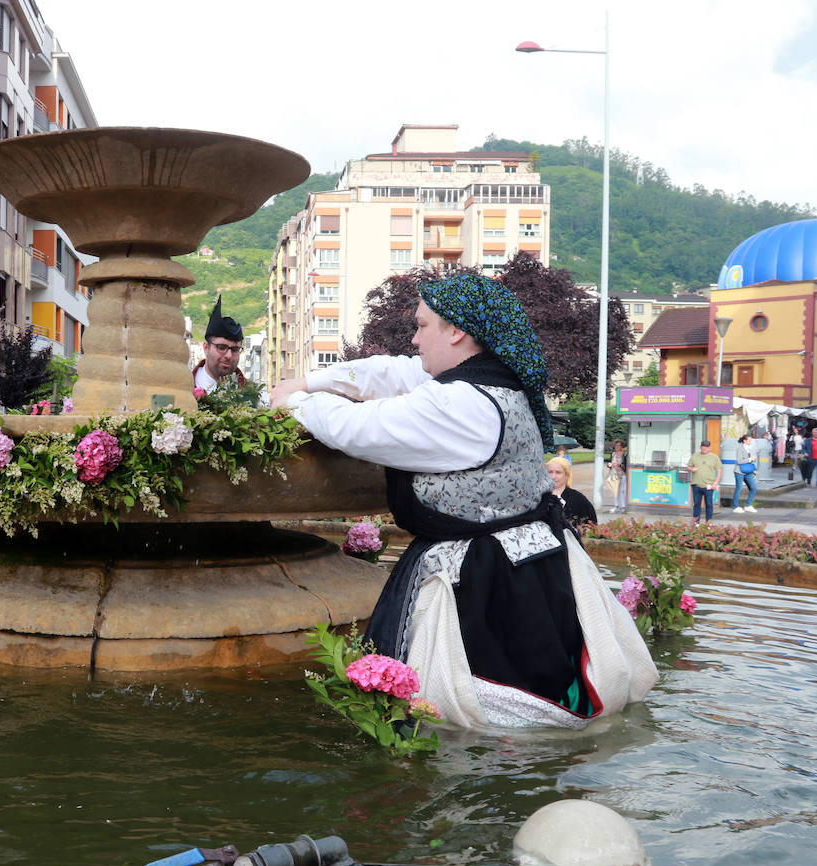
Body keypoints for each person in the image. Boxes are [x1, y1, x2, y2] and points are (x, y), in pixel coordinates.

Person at [271, 272, 655, 729]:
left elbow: (360, 428)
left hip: (488, 579)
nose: (414, 339)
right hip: (525, 563)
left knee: (475, 715)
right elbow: (389, 371)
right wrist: (309, 380)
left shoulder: (462, 405)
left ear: (457, 332)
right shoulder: (487, 380)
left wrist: (295, 402)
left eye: (422, 326)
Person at [192, 296, 249, 394]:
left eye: (235, 349)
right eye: (222, 348)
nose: (229, 355)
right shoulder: (183, 388)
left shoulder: (254, 394)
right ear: (206, 347)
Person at [547, 456, 596, 532]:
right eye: (550, 472)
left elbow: (591, 525)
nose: (553, 477)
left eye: (558, 472)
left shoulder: (578, 499)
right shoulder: (538, 496)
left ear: (567, 475)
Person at [686, 439, 722, 524]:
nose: (704, 449)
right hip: (696, 485)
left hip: (709, 485)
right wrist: (692, 469)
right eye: (703, 447)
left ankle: (708, 523)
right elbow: (688, 467)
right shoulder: (695, 456)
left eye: (706, 447)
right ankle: (696, 523)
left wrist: (716, 482)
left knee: (709, 504)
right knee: (696, 504)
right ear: (700, 447)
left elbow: (719, 470)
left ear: (710, 448)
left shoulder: (714, 457)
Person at [732, 434, 758, 512]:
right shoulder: (740, 448)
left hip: (748, 471)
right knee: (739, 489)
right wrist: (750, 459)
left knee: (754, 487)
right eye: (749, 440)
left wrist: (752, 459)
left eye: (751, 440)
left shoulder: (749, 448)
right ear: (744, 440)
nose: (750, 442)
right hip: (739, 471)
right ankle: (735, 506)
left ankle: (748, 505)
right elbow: (739, 461)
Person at [606, 440, 628, 513]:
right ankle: (616, 506)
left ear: (622, 447)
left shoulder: (624, 454)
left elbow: (626, 465)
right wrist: (609, 465)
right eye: (616, 445)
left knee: (621, 491)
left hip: (622, 475)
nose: (617, 447)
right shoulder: (613, 454)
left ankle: (623, 507)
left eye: (618, 445)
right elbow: (610, 463)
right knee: (615, 491)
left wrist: (620, 465)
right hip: (613, 475)